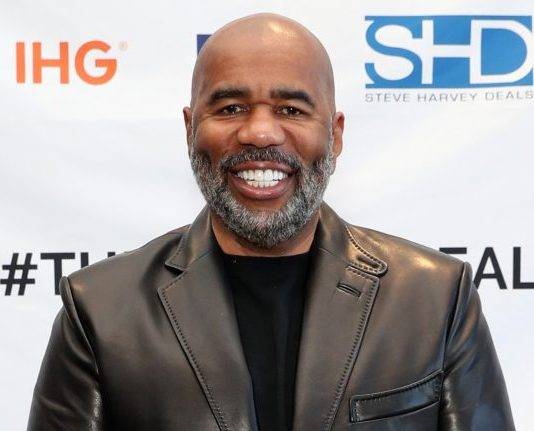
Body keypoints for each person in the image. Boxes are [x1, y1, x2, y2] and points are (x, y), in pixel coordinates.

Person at [27, 13, 514, 431]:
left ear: (335, 135)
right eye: (231, 108)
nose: (260, 132)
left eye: (291, 109)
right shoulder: (100, 311)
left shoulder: (435, 299)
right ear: (190, 128)